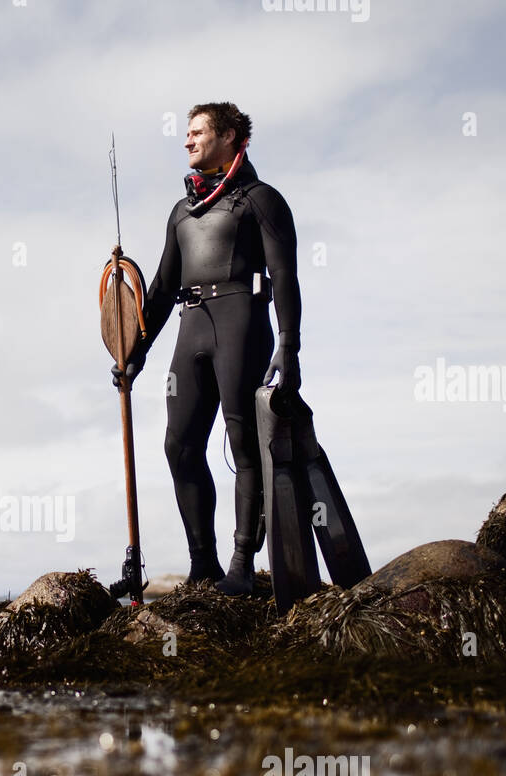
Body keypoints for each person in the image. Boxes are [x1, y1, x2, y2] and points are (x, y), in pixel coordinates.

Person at [112, 102, 302, 595]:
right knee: (179, 446)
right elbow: (159, 287)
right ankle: (204, 565)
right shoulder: (182, 212)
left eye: (197, 132)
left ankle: (242, 566)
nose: (187, 140)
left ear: (231, 136)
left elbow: (284, 276)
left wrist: (289, 346)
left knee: (244, 448)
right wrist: (135, 350)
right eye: (187, 132)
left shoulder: (262, 200)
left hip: (241, 321)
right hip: (189, 326)